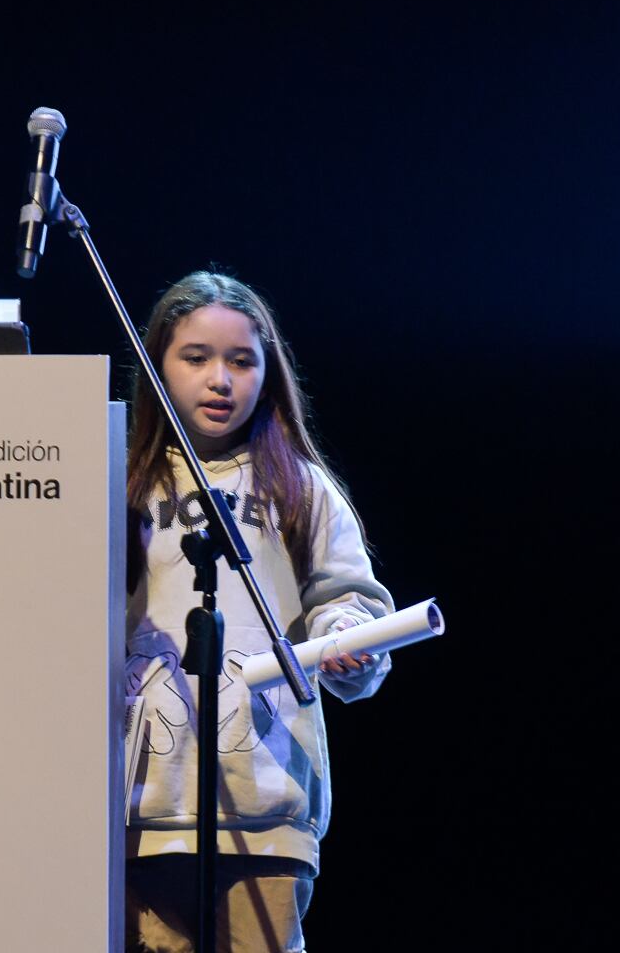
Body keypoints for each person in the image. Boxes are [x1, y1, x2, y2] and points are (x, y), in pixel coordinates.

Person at [123, 272, 393, 953]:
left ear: (268, 373)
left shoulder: (298, 485)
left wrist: (348, 639)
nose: (221, 379)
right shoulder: (120, 479)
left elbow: (350, 601)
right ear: (158, 362)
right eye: (197, 357)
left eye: (241, 361)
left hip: (266, 803)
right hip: (148, 810)